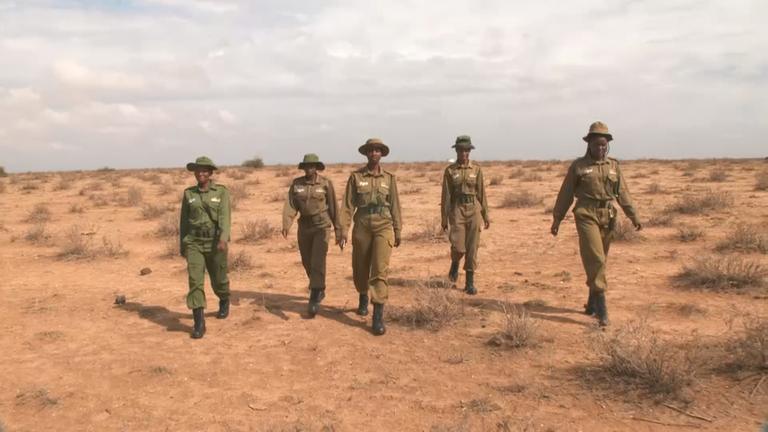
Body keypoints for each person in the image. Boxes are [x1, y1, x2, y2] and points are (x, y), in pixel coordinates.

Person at [550, 122, 641, 326]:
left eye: (604, 145)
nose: (600, 148)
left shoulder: (614, 166)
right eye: (597, 144)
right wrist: (557, 218)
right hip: (586, 214)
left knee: (600, 260)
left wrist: (633, 216)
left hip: (607, 215)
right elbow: (565, 194)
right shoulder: (579, 166)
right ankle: (601, 308)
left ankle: (591, 302)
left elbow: (623, 193)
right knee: (596, 258)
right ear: (589, 144)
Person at [339, 138, 403, 336]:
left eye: (377, 150)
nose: (374, 153)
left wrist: (398, 229)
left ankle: (377, 314)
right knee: (360, 267)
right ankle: (363, 294)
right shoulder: (356, 177)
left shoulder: (389, 178)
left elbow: (395, 205)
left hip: (383, 225)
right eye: (370, 150)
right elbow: (348, 206)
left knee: (380, 269)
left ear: (381, 154)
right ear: (366, 154)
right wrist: (343, 230)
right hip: (363, 225)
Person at [281, 154, 341, 318]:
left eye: (312, 166)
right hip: (304, 227)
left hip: (321, 225)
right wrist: (286, 223)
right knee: (307, 261)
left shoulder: (325, 184)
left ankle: (315, 294)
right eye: (306, 166)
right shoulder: (297, 184)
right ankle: (318, 286)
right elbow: (290, 205)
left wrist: (339, 230)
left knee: (317, 260)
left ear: (316, 167)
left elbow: (334, 208)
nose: (309, 169)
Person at [179, 156, 231, 339]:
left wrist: (223, 239)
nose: (200, 173)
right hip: (194, 242)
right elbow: (183, 222)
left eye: (204, 170)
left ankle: (224, 299)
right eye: (197, 170)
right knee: (195, 281)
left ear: (210, 173)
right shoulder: (188, 194)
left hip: (216, 243)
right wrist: (182, 245)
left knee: (219, 279)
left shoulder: (221, 192)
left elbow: (225, 217)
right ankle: (199, 323)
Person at [440, 135, 490, 295]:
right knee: (458, 246)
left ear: (470, 151)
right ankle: (455, 263)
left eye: (466, 150)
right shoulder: (450, 171)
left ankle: (469, 282)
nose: (463, 153)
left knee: (472, 247)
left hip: (473, 208)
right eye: (460, 150)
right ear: (456, 151)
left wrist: (485, 215)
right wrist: (444, 218)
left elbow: (482, 193)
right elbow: (446, 196)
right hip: (457, 209)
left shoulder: (476, 170)